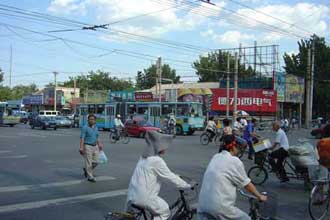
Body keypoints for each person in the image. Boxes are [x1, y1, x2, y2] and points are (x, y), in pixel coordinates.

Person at [198, 135, 267, 220]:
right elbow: (247, 184)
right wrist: (259, 196)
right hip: (220, 208)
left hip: (202, 205)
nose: (239, 150)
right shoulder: (234, 161)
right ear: (233, 147)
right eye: (238, 147)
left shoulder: (216, 157)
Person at [126, 131, 191, 220]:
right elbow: (169, 177)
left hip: (132, 196)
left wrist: (175, 176)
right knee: (164, 211)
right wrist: (186, 185)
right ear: (158, 147)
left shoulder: (144, 158)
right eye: (164, 145)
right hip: (144, 198)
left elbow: (162, 174)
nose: (165, 148)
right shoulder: (156, 161)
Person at [79, 114, 103, 183]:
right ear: (88, 120)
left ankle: (86, 169)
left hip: (95, 146)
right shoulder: (85, 127)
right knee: (88, 162)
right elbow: (82, 138)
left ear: (95, 120)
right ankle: (90, 177)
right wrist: (81, 147)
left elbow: (97, 136)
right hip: (87, 146)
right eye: (90, 119)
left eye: (93, 119)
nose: (92, 120)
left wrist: (99, 144)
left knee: (96, 161)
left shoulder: (96, 127)